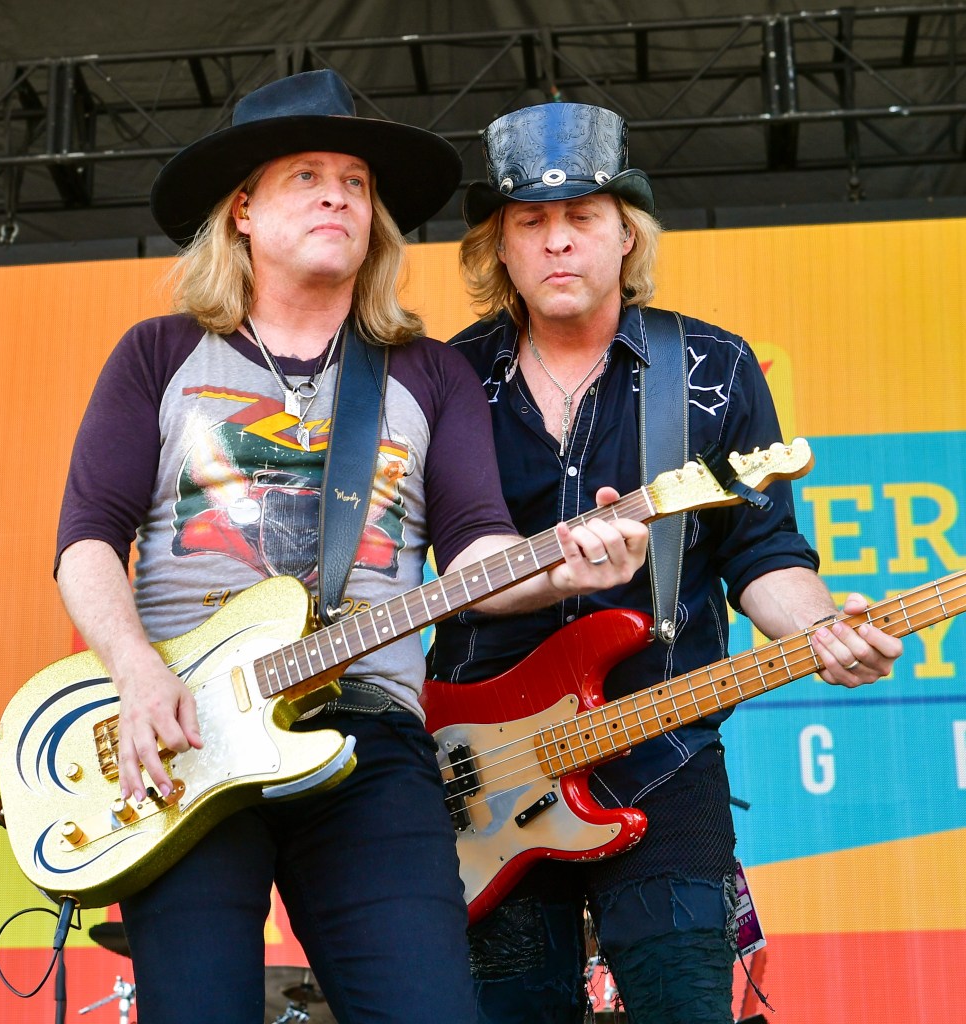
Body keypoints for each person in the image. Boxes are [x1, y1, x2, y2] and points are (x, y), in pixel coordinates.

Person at [53, 71, 648, 1024]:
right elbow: (86, 540)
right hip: (188, 731)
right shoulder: (158, 354)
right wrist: (134, 673)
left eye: (356, 182)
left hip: (367, 736)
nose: (339, 193)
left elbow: (471, 553)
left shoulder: (427, 372)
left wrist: (561, 569)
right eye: (307, 176)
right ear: (243, 210)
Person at [429, 100, 904, 1024]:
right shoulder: (448, 382)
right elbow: (425, 569)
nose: (557, 242)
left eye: (582, 219)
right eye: (530, 222)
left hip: (662, 753)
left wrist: (819, 629)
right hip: (481, 773)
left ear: (625, 235)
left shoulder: (713, 370)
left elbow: (763, 551)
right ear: (500, 248)